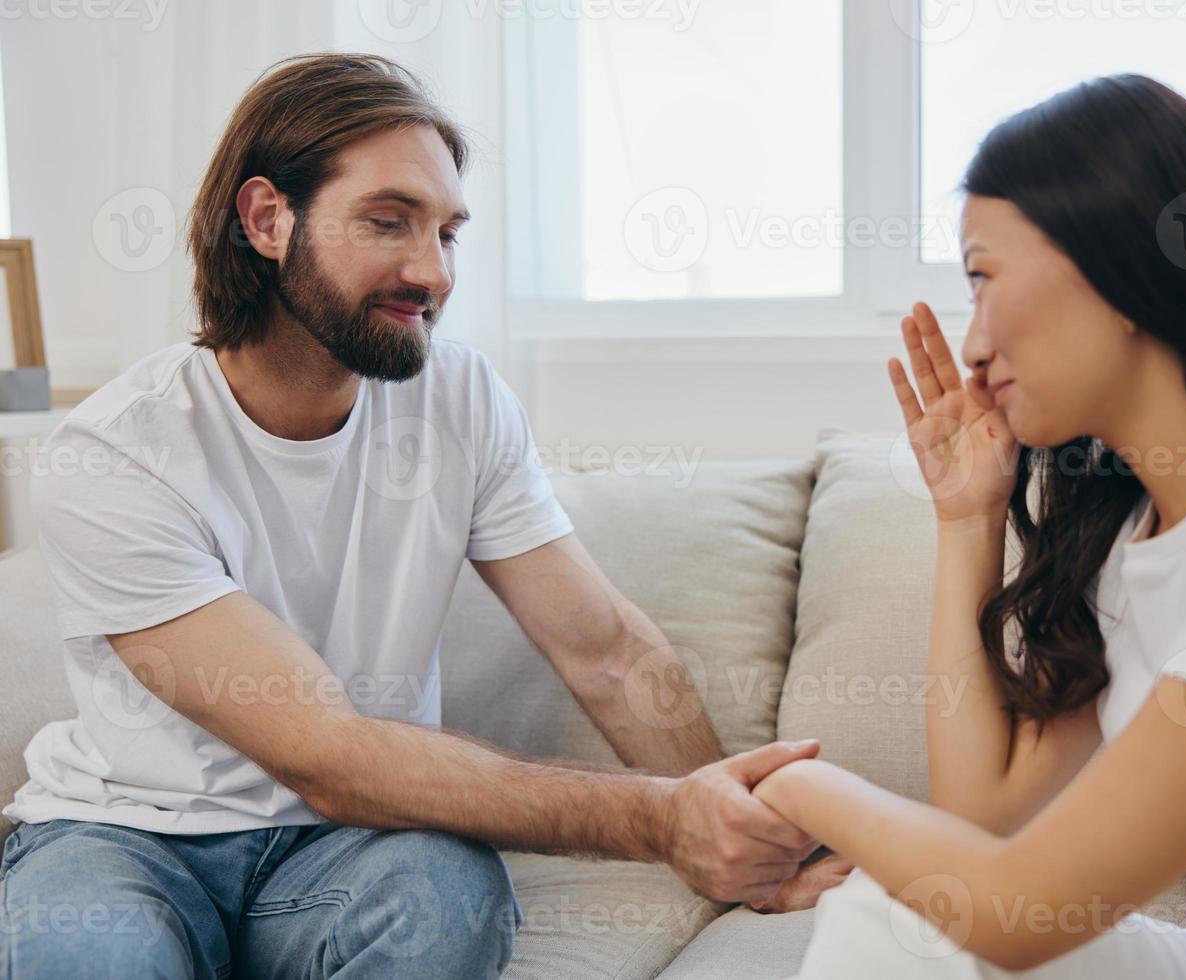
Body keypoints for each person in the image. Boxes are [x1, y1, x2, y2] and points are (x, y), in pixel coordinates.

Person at [0, 53, 846, 979]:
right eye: (388, 222)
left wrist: (737, 834)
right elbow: (326, 752)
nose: (432, 272)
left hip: (355, 845)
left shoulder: (462, 401)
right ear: (268, 219)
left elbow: (606, 650)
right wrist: (659, 819)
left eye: (448, 233)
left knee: (445, 901)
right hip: (129, 838)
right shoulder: (118, 450)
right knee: (87, 958)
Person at [751, 74, 1186, 979]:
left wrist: (796, 784)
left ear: (1123, 272)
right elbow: (982, 819)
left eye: (983, 279)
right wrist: (967, 516)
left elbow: (1018, 915)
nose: (971, 347)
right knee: (892, 915)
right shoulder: (1137, 535)